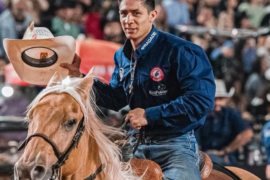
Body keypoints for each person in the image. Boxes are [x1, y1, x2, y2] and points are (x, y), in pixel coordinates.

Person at [60, 0, 215, 179]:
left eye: (136, 13)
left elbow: (201, 101)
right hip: (134, 143)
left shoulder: (181, 50)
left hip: (175, 145)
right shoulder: (122, 55)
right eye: (124, 13)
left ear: (152, 16)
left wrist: (149, 115)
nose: (128, 19)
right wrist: (80, 78)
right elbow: (115, 98)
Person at [196, 79, 253, 166]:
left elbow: (247, 133)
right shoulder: (202, 116)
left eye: (220, 99)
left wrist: (226, 150)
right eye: (215, 99)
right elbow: (195, 139)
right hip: (205, 158)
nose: (217, 103)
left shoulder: (231, 114)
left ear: (225, 100)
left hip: (227, 159)